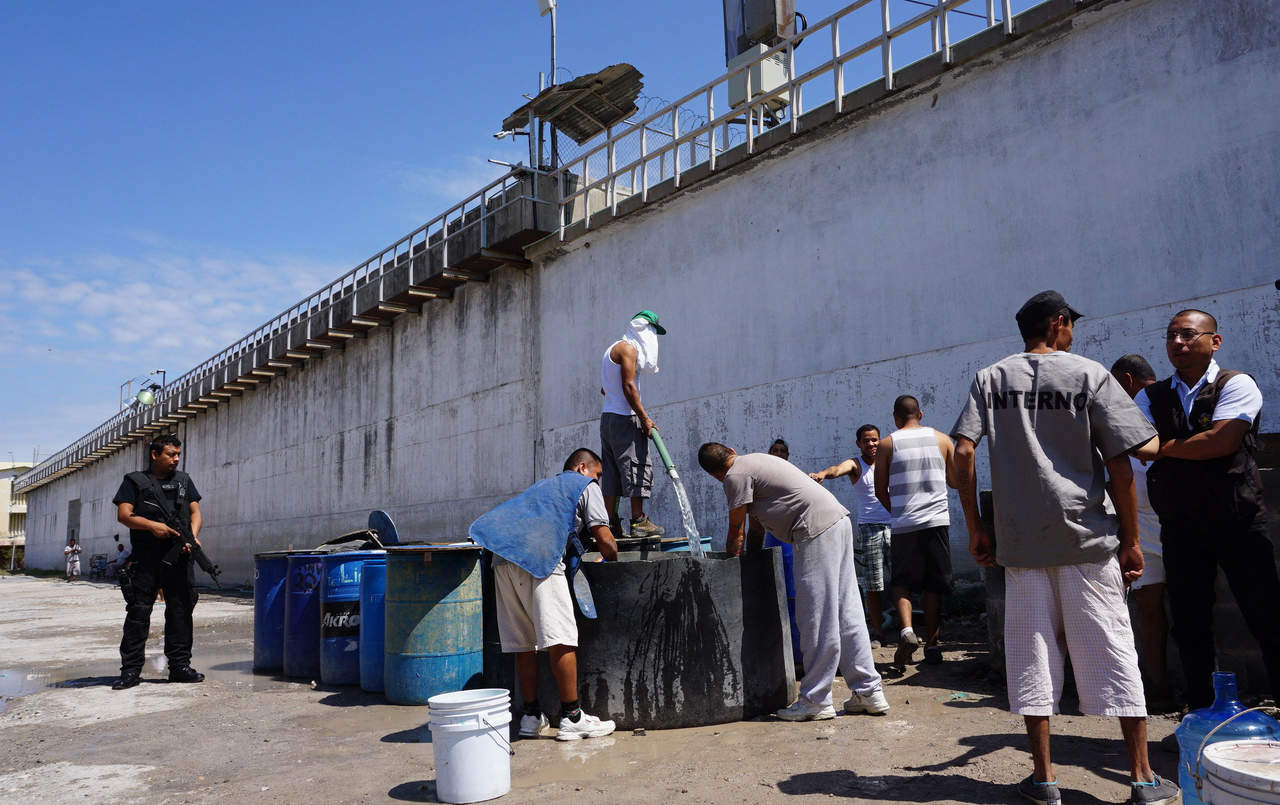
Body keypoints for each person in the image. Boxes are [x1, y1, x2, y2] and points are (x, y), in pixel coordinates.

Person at [952, 290, 1177, 805]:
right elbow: (1126, 458)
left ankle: (1045, 780)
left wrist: (975, 525)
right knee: (1115, 650)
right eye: (1070, 324)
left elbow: (963, 451)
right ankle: (1143, 780)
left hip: (1021, 545)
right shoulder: (1088, 374)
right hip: (1087, 540)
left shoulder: (991, 378)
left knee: (1031, 656)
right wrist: (1133, 539)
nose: (1073, 332)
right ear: (1058, 323)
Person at [1133, 309, 1280, 709]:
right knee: (1191, 622)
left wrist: (1167, 447)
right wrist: (1190, 444)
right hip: (1181, 525)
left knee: (1265, 614)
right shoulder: (1151, 395)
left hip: (1239, 520)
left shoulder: (1237, 384)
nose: (1177, 344)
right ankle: (1200, 708)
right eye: (1170, 337)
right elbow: (1139, 446)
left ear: (1214, 341)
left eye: (1187, 335)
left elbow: (1222, 442)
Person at [698, 442, 888, 720]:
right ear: (730, 450)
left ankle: (816, 699)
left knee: (815, 615)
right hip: (836, 521)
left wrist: (731, 565)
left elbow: (736, 531)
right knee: (847, 612)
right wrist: (754, 557)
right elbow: (756, 527)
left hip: (814, 530)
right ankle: (869, 691)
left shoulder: (734, 476)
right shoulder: (756, 463)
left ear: (715, 474)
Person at [469, 448, 620, 741]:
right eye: (598, 475)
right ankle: (573, 717)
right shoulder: (584, 486)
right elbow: (603, 535)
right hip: (540, 558)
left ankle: (530, 716)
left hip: (504, 561)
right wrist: (613, 560)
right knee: (560, 637)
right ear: (581, 468)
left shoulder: (542, 487)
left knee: (525, 643)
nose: (599, 482)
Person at [110, 434, 207, 691]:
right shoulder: (135, 481)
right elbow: (124, 515)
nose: (175, 459)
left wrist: (193, 537)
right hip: (147, 560)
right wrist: (152, 526)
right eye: (170, 455)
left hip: (180, 558)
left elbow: (195, 513)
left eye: (178, 455)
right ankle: (130, 671)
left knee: (180, 613)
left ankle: (179, 667)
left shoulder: (184, 482)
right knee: (139, 614)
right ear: (155, 455)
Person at [1110, 354, 1175, 712]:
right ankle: (1159, 690)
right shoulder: (1120, 416)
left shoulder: (1167, 404)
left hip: (1177, 523)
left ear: (1127, 379)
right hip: (1140, 528)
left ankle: (1194, 690)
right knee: (1149, 607)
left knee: (1184, 608)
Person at [873, 397, 955, 668]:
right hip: (937, 522)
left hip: (904, 524)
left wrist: (897, 512)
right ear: (920, 413)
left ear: (896, 417)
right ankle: (932, 646)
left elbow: (879, 489)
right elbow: (955, 481)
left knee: (902, 582)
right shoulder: (943, 440)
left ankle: (907, 631)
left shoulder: (887, 444)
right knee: (934, 585)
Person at [810, 424, 893, 647]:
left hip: (897, 526)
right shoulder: (856, 464)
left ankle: (907, 630)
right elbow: (837, 469)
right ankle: (878, 633)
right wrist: (822, 475)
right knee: (874, 585)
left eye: (875, 439)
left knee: (904, 580)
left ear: (880, 440)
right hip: (870, 528)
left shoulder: (889, 460)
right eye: (866, 440)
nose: (871, 444)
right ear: (859, 444)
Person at [599, 310, 667, 539]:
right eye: (651, 331)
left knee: (612, 472)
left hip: (608, 418)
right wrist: (644, 418)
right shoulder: (627, 349)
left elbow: (606, 388)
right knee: (636, 464)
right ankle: (638, 521)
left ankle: (610, 523)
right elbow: (629, 386)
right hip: (624, 418)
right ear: (643, 328)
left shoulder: (612, 349)